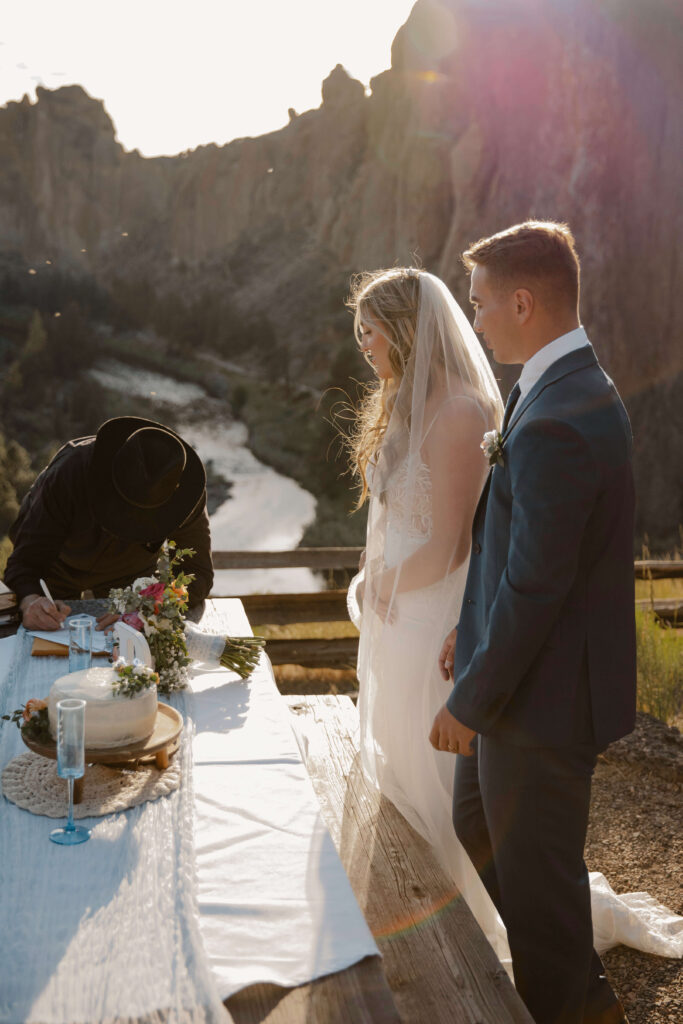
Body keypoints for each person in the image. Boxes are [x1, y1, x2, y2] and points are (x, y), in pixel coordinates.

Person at [429, 220, 635, 1024]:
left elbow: (537, 585)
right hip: (521, 676)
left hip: (546, 703)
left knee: (539, 888)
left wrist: (468, 701)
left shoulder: (559, 412)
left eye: (479, 304)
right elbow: (510, 549)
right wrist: (467, 631)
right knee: (475, 823)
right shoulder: (548, 384)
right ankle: (569, 986)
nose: (473, 320)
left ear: (522, 302)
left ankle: (574, 1004)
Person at [345, 266, 510, 961]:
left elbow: (448, 544)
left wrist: (383, 584)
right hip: (396, 612)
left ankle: (464, 934)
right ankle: (420, 918)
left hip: (429, 617)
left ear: (406, 331)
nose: (363, 346)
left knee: (434, 781)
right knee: (400, 769)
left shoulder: (461, 414)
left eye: (370, 331)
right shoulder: (410, 405)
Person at [4, 416, 213, 630]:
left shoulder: (182, 493)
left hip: (131, 575)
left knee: (130, 649)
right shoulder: (69, 471)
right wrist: (29, 600)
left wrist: (150, 608)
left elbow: (197, 574)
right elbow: (24, 564)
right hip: (56, 565)